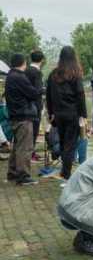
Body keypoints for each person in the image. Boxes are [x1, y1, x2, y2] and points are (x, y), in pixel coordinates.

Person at [46, 46, 87, 181]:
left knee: (64, 143)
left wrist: (51, 113)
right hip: (72, 114)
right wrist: (83, 115)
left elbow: (49, 95)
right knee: (70, 144)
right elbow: (80, 95)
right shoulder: (75, 74)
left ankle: (64, 170)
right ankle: (66, 173)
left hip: (58, 115)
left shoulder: (53, 74)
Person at [5, 53, 43, 185]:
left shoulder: (10, 75)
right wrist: (41, 90)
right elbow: (33, 93)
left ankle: (12, 172)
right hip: (23, 115)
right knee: (25, 147)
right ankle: (23, 175)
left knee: (17, 146)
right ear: (23, 63)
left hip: (15, 115)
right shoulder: (19, 77)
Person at [25, 50, 45, 162]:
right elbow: (38, 90)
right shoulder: (37, 72)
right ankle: (31, 154)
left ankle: (29, 152)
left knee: (28, 130)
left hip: (26, 105)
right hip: (35, 105)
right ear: (42, 60)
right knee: (34, 129)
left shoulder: (25, 70)